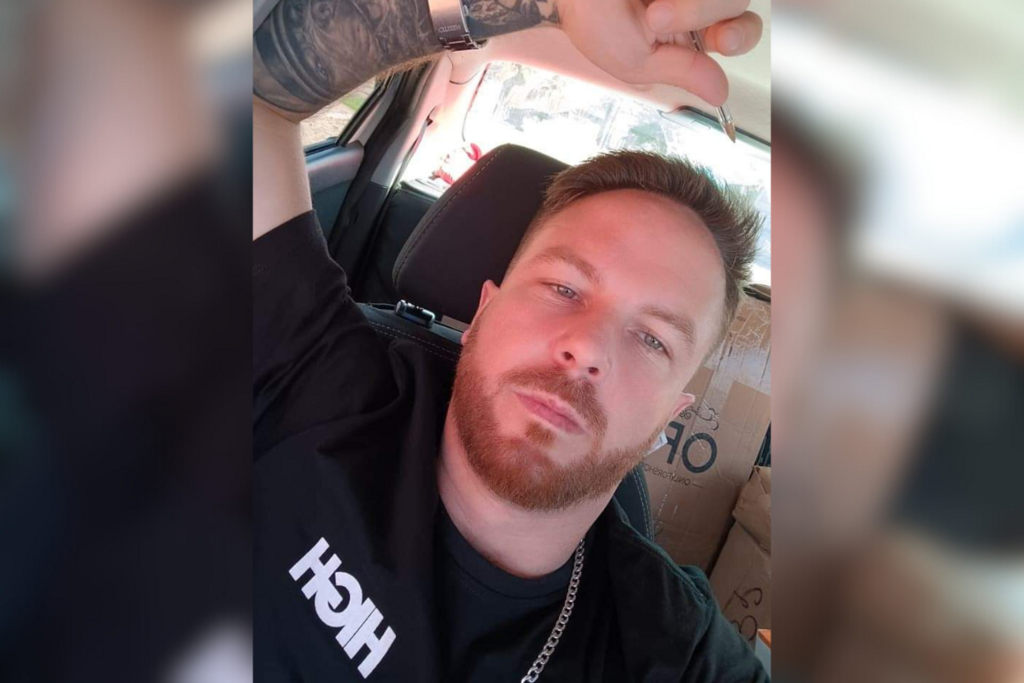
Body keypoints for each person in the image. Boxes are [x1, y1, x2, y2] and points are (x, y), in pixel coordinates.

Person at [253, 0, 768, 679]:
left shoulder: (670, 647)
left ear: (666, 421)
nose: (587, 348)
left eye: (652, 340)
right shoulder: (323, 379)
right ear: (483, 313)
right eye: (564, 288)